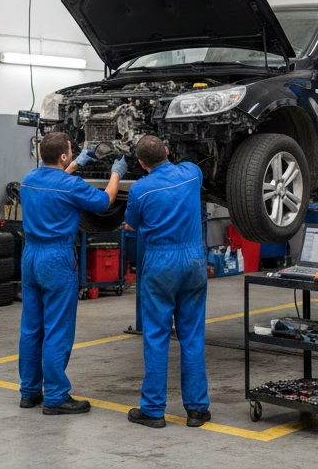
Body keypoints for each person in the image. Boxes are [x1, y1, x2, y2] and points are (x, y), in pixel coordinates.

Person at [18, 132, 128, 415]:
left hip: (30, 256)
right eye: (71, 152)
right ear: (64, 156)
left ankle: (29, 392)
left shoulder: (29, 179)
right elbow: (105, 201)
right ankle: (55, 397)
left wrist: (77, 164)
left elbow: (57, 184)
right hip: (56, 259)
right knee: (57, 329)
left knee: (32, 328)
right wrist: (116, 173)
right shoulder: (70, 186)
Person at [122, 135, 211, 429]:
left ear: (141, 163)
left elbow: (131, 224)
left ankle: (153, 410)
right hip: (193, 260)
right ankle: (197, 410)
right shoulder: (190, 174)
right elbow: (194, 161)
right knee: (192, 336)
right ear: (168, 151)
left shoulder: (139, 189)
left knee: (157, 337)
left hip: (160, 263)